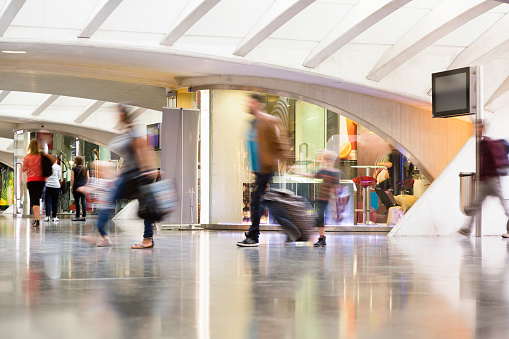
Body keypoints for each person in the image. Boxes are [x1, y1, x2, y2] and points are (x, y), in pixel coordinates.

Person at [97, 103, 159, 249]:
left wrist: (148, 169)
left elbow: (143, 150)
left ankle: (147, 239)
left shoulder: (135, 131)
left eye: (118, 113)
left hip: (138, 175)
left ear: (123, 114)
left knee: (147, 206)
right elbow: (130, 157)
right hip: (130, 174)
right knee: (111, 199)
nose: (116, 116)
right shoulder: (126, 132)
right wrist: (118, 175)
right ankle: (103, 234)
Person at [237, 93, 287, 247]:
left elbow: (277, 143)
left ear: (257, 104)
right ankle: (290, 227)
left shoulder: (267, 121)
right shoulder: (253, 123)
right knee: (263, 201)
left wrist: (284, 161)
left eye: (251, 102)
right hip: (258, 169)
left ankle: (253, 235)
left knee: (257, 202)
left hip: (265, 168)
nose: (248, 105)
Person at [459, 121, 509, 237]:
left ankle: (467, 228)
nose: (475, 130)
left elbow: (495, 160)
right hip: (486, 179)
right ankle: (467, 229)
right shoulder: (481, 143)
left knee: (503, 203)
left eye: (477, 127)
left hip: (492, 178)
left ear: (482, 128)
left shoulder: (487, 143)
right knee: (476, 204)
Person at [292, 150, 341, 247]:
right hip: (321, 199)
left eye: (327, 158)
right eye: (325, 158)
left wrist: (334, 203)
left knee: (319, 218)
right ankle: (321, 238)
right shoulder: (324, 171)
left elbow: (334, 188)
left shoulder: (334, 173)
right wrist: (297, 172)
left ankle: (317, 236)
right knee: (319, 218)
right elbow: (312, 175)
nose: (326, 160)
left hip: (326, 199)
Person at [77, 161, 116, 247]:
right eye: (94, 169)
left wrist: (85, 189)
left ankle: (106, 239)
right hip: (103, 208)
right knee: (98, 223)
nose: (95, 172)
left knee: (100, 225)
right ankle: (93, 236)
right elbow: (93, 187)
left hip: (106, 208)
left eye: (98, 170)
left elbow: (95, 188)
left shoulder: (107, 182)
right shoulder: (101, 181)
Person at [22, 139, 46, 227]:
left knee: (34, 200)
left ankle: (37, 220)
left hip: (31, 181)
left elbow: (23, 169)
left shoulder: (27, 157)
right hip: (41, 181)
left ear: (30, 147)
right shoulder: (41, 156)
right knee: (37, 200)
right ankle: (37, 219)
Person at [375, 146, 402, 213]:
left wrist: (380, 163)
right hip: (400, 178)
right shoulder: (400, 154)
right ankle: (396, 207)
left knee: (378, 188)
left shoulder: (392, 154)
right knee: (395, 192)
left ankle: (389, 207)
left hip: (394, 179)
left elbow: (390, 164)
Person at [71, 156, 89, 222]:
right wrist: (86, 185)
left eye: (74, 159)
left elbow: (72, 179)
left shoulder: (74, 168)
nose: (73, 160)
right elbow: (88, 178)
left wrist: (72, 187)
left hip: (76, 186)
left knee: (77, 202)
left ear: (77, 161)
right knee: (83, 201)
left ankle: (77, 216)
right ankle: (84, 216)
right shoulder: (85, 168)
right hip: (83, 186)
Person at [44, 157, 61, 222]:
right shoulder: (58, 167)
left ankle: (47, 216)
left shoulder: (46, 166)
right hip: (56, 186)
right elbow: (59, 176)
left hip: (48, 185)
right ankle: (54, 217)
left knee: (48, 202)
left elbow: (44, 176)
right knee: (55, 202)